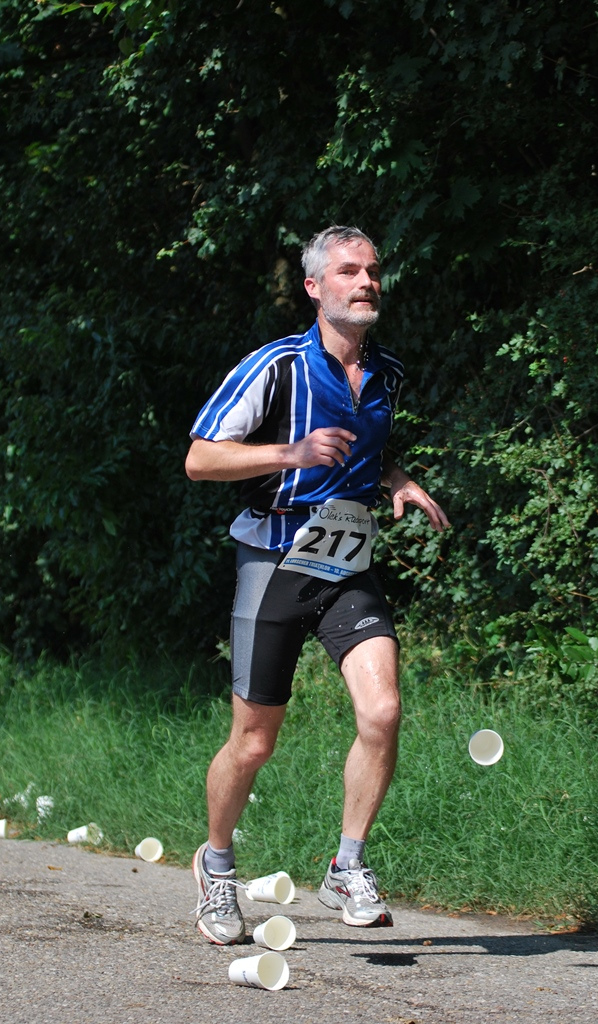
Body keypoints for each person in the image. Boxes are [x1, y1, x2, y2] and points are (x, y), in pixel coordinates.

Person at [185, 225, 449, 945]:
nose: (365, 282)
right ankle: (216, 865)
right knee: (253, 742)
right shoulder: (275, 366)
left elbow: (366, 449)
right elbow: (201, 459)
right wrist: (290, 452)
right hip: (273, 562)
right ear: (313, 287)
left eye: (373, 271)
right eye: (348, 272)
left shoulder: (386, 372)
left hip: (344, 563)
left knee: (382, 710)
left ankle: (346, 865)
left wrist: (395, 478)